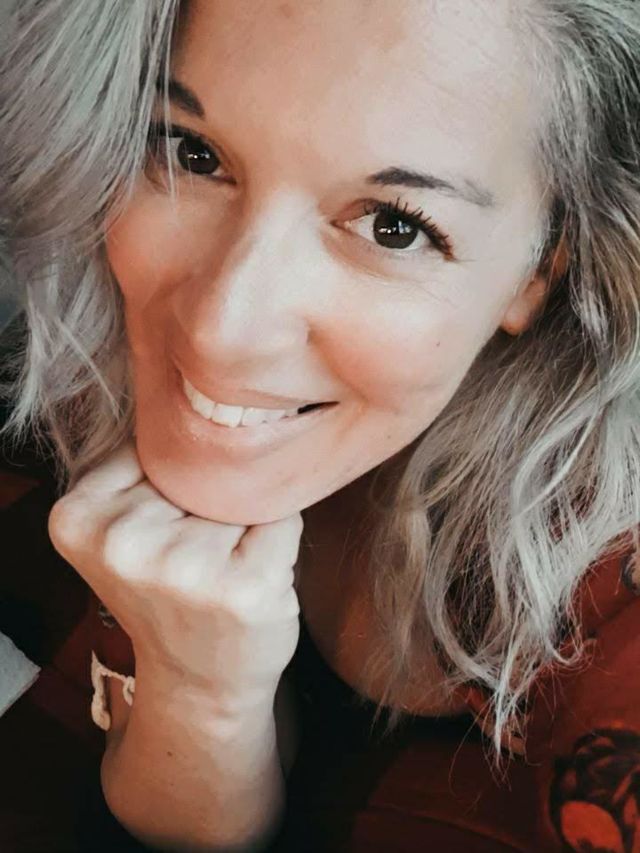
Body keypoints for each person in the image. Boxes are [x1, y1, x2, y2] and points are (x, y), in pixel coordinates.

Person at [1, 0, 639, 850]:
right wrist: (200, 695)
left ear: (542, 269)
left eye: (393, 227)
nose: (222, 327)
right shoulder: (55, 409)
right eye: (192, 154)